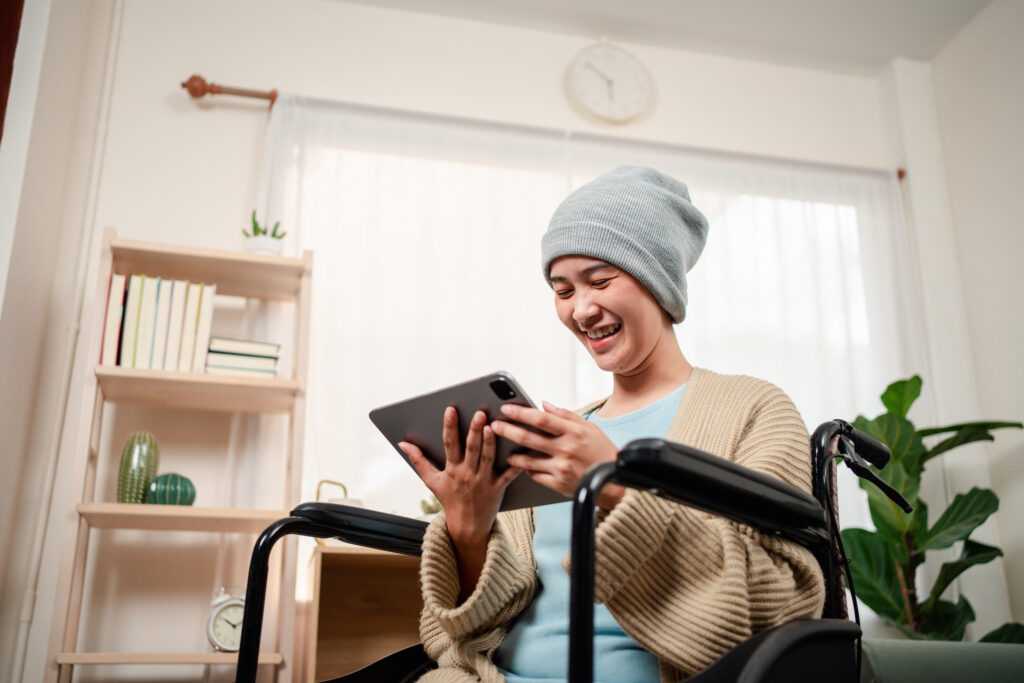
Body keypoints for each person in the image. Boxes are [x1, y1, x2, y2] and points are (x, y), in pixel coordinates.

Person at [398, 166, 825, 683]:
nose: (581, 308)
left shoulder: (752, 409)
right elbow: (470, 634)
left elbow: (780, 605)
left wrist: (615, 487)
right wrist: (469, 530)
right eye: (562, 290)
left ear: (658, 280)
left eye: (601, 280)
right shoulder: (557, 435)